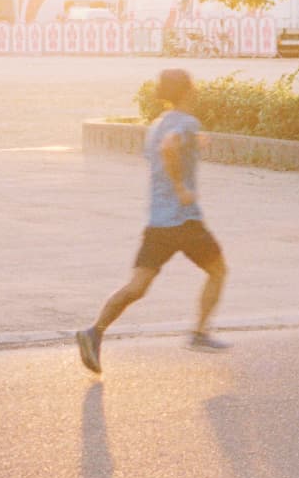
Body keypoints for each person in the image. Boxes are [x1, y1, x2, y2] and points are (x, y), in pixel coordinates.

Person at [77, 68, 229, 374]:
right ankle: (199, 333)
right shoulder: (186, 123)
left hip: (158, 223)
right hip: (185, 221)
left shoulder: (158, 125)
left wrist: (193, 146)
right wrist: (182, 188)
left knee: (137, 286)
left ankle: (94, 332)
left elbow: (166, 146)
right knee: (218, 271)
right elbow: (169, 149)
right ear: (187, 91)